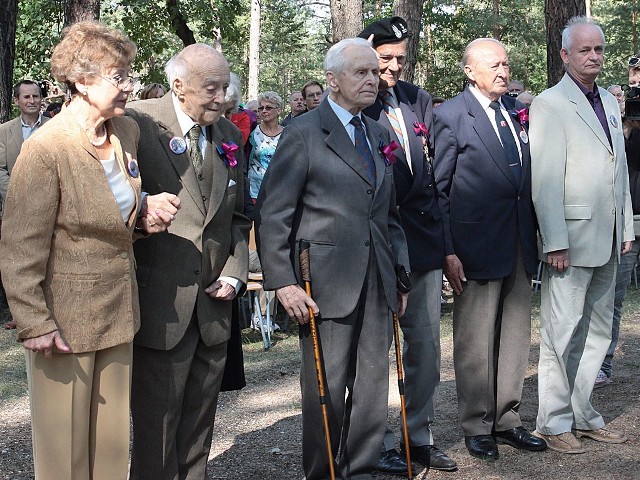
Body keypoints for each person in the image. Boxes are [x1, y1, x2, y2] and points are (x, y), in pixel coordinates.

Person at [0, 21, 178, 480]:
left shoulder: (125, 134)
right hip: (62, 325)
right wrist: (33, 322)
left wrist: (142, 215)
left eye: (130, 76)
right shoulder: (46, 149)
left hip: (118, 314)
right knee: (65, 460)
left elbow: (109, 214)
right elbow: (20, 247)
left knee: (110, 453)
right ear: (81, 81)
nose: (130, 87)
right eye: (118, 77)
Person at [255, 37, 410, 480]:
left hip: (377, 281)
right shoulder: (303, 134)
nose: (372, 80)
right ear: (332, 80)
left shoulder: (379, 134)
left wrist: (400, 275)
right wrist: (282, 281)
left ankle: (361, 468)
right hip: (322, 283)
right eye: (360, 72)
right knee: (326, 388)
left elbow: (390, 215)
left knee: (371, 386)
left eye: (374, 72)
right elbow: (273, 213)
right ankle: (323, 472)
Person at [126, 43, 250, 480]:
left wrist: (236, 273)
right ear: (178, 86)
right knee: (156, 431)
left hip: (213, 307)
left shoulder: (230, 136)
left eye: (225, 87)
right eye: (210, 88)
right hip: (161, 306)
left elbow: (236, 217)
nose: (221, 98)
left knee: (199, 426)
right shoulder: (136, 123)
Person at [433, 37, 544, 461]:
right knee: (476, 340)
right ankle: (477, 423)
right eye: (494, 64)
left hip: (517, 240)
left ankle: (507, 418)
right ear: (469, 72)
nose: (503, 70)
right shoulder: (450, 116)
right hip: (473, 244)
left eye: (506, 63)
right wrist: (448, 250)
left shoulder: (514, 112)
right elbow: (439, 189)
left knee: (515, 335)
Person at [529, 16, 632, 454]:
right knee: (562, 333)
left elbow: (619, 170)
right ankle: (552, 423)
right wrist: (553, 240)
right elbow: (545, 178)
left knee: (598, 334)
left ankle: (583, 414)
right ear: (565, 54)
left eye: (600, 49)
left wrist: (626, 225)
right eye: (585, 50)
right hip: (569, 240)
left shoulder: (609, 103)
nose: (595, 56)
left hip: (609, 236)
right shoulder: (550, 104)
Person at [359, 17, 455, 474]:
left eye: (400, 58)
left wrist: (446, 245)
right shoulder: (354, 103)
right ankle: (374, 444)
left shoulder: (417, 99)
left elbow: (435, 175)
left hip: (421, 242)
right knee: (375, 352)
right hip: (374, 245)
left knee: (426, 348)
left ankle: (418, 436)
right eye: (384, 59)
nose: (393, 68)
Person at [596, 59, 640, 388]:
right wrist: (619, 115)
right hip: (629, 223)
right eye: (633, 76)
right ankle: (603, 364)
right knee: (613, 297)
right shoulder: (613, 116)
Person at [0, 80, 49, 207]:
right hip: (14, 206)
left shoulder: (55, 127)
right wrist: (15, 196)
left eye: (36, 96)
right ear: (16, 101)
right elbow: (1, 169)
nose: (32, 101)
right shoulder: (4, 131)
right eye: (26, 97)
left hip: (48, 205)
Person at [248, 91, 283, 202]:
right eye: (261, 108)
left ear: (279, 110)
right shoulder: (252, 131)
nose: (264, 111)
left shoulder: (288, 133)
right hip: (254, 190)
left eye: (268, 108)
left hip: (278, 189)